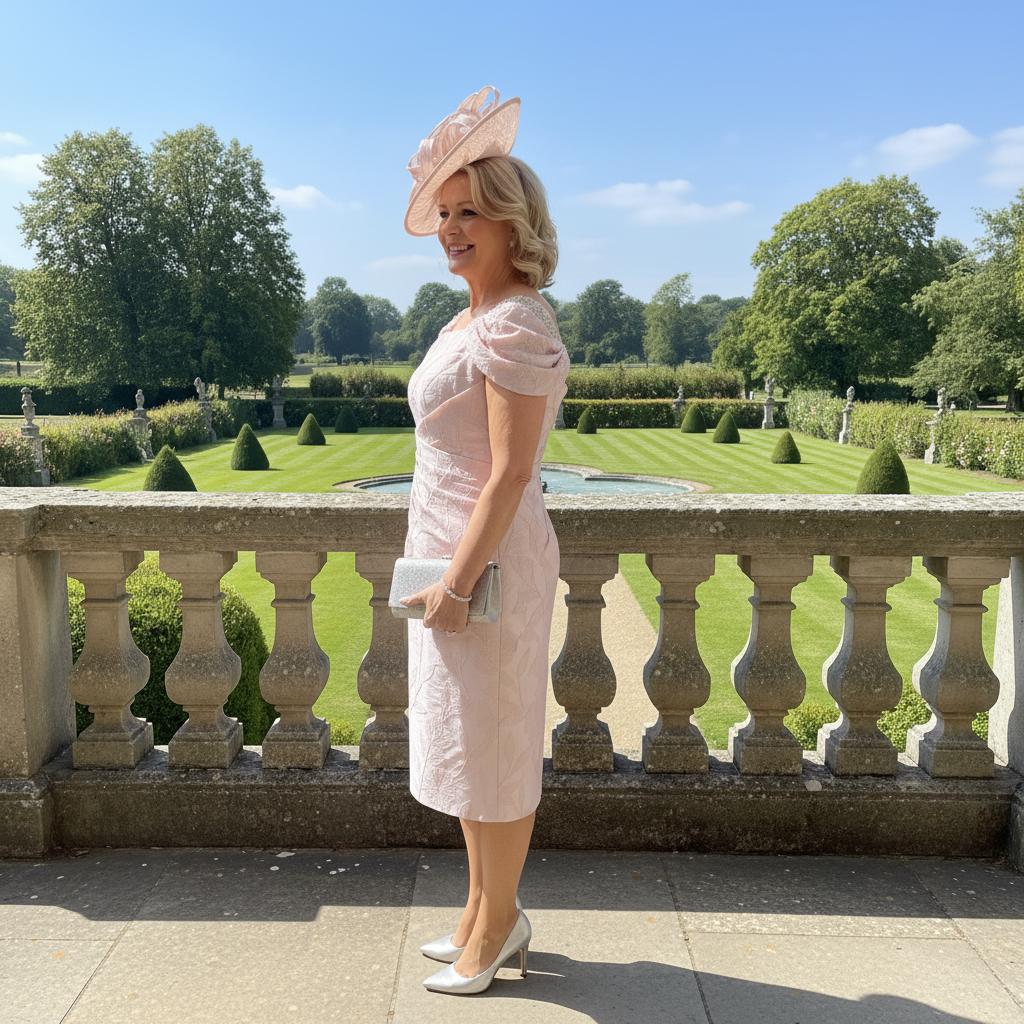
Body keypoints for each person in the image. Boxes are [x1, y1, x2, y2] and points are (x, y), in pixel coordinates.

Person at [397, 85, 569, 996]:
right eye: (448, 214)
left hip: (485, 564)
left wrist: (459, 585)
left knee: (496, 747)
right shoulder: (466, 318)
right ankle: (478, 908)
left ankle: (500, 925)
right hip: (451, 560)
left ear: (514, 223)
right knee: (467, 742)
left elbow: (509, 472)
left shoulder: (514, 321)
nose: (455, 228)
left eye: (474, 213)